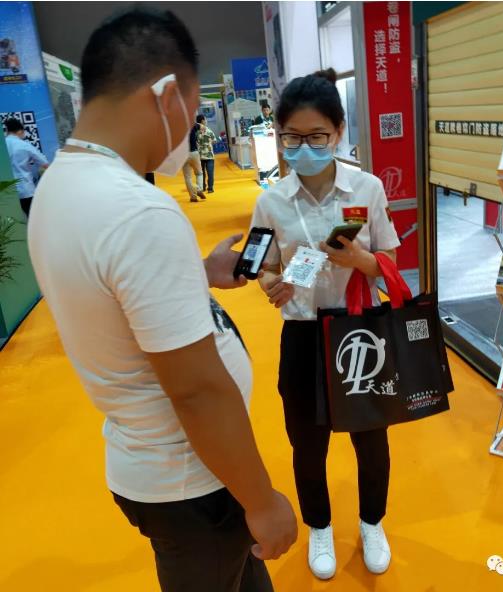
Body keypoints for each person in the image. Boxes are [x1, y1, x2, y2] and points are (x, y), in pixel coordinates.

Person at [27, 8, 297, 592]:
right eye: (193, 111)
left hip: (151, 464)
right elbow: (197, 391)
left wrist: (194, 274)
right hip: (193, 483)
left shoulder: (60, 185)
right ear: (168, 96)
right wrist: (262, 500)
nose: (189, 128)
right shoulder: (138, 211)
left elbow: (107, 291)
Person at [250, 68, 400, 581]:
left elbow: (390, 264)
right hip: (302, 335)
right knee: (307, 444)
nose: (304, 147)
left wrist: (358, 259)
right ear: (280, 137)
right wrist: (269, 282)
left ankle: (372, 522)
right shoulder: (270, 200)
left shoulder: (367, 187)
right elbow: (264, 265)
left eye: (317, 136)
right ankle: (319, 526)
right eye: (292, 137)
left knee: (371, 439)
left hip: (359, 331)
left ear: (338, 131)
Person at [4, 118, 48, 218]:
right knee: (34, 219)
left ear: (7, 131)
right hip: (25, 190)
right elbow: (45, 163)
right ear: (20, 131)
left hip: (6, 192)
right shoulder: (24, 145)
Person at [183, 119, 207, 201]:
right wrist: (200, 132)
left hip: (182, 155)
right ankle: (199, 189)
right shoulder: (192, 124)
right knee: (199, 173)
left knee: (187, 177)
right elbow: (203, 127)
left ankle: (193, 197)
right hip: (194, 152)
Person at [196, 113, 216, 193]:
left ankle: (203, 187)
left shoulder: (196, 132)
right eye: (205, 119)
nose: (206, 121)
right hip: (209, 155)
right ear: (202, 121)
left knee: (201, 173)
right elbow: (214, 140)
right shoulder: (209, 131)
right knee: (210, 172)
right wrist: (209, 143)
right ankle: (210, 188)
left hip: (200, 155)